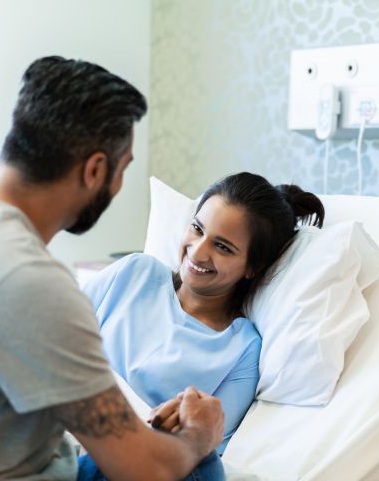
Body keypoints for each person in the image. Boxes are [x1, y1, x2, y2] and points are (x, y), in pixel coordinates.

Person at [0, 55, 225, 481]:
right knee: (198, 462)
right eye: (122, 170)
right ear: (95, 169)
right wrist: (201, 433)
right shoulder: (33, 283)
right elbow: (146, 470)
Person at [83, 172, 325, 453]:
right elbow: (49, 341)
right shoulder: (132, 273)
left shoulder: (241, 349)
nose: (198, 253)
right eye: (197, 229)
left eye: (222, 247)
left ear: (252, 267)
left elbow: (209, 452)